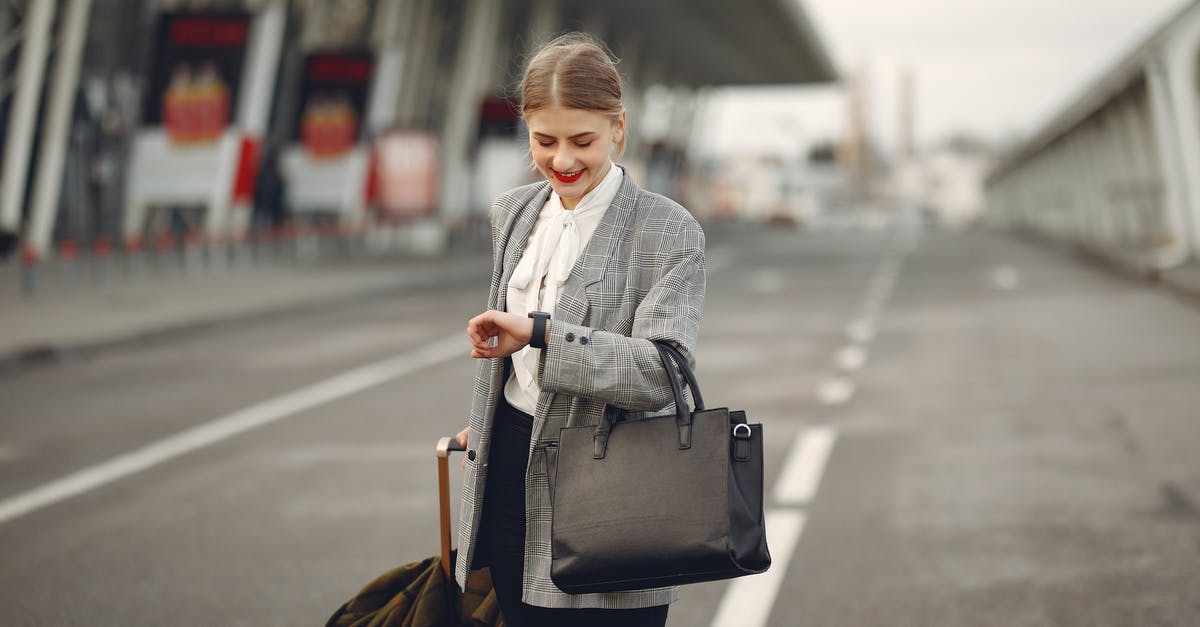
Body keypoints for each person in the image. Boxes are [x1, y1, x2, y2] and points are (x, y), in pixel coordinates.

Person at [455, 32, 705, 627]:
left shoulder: (668, 231)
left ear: (620, 128)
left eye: (582, 141)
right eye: (544, 141)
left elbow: (660, 375)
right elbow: (512, 366)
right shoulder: (513, 213)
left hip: (613, 485)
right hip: (510, 471)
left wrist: (542, 333)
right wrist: (489, 417)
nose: (562, 160)